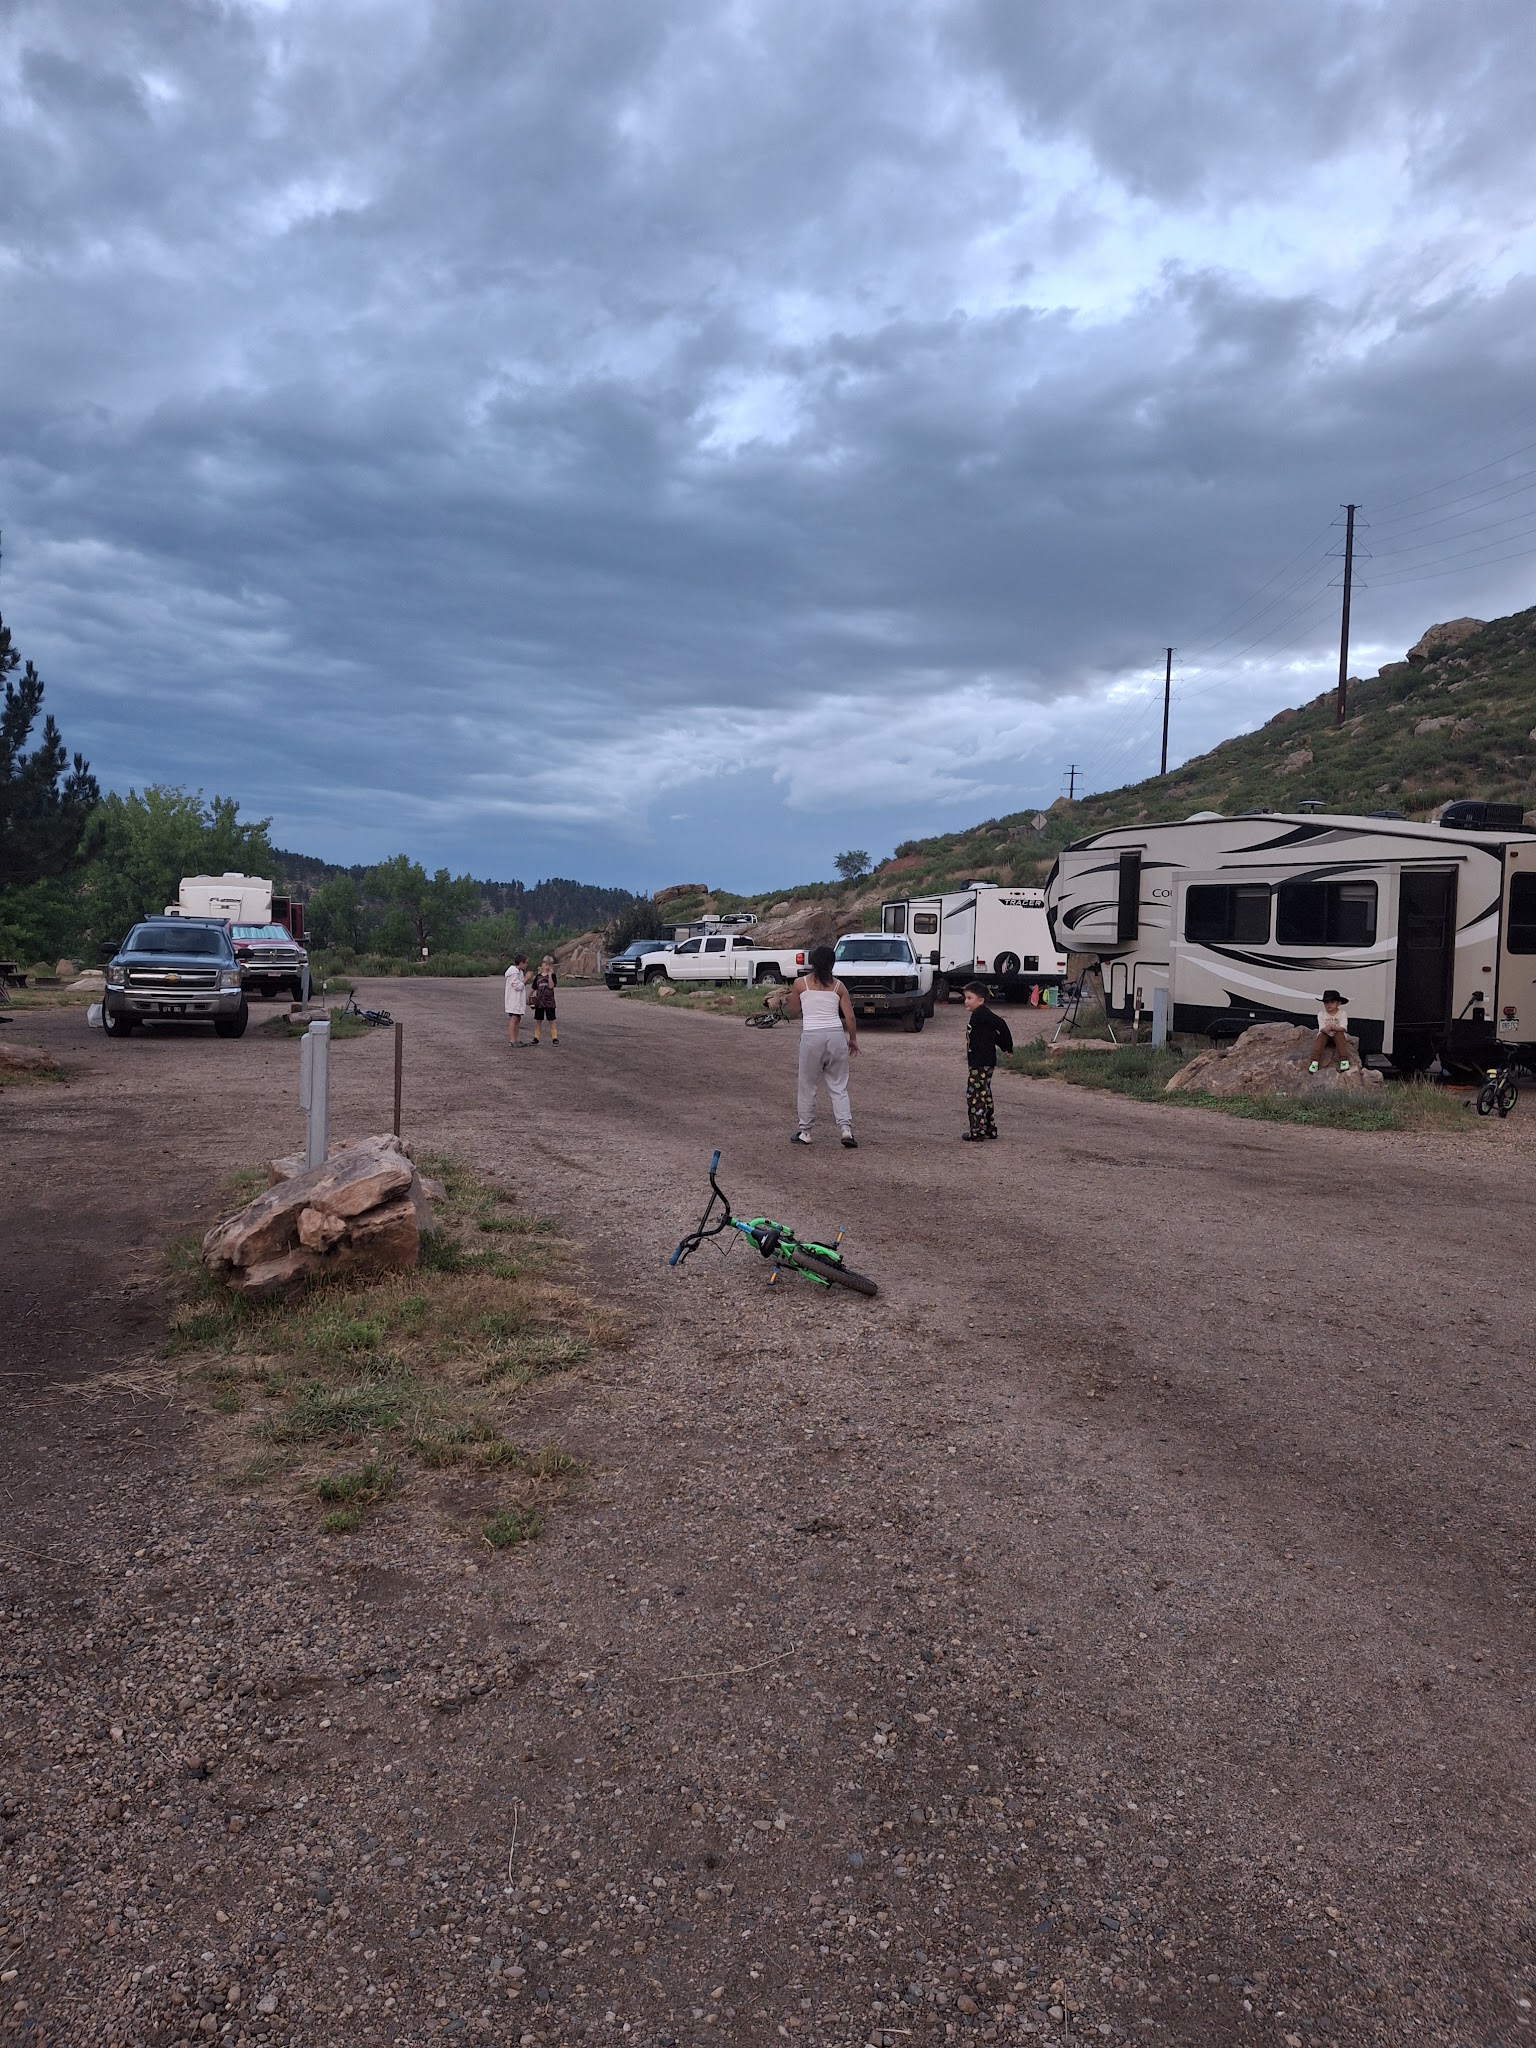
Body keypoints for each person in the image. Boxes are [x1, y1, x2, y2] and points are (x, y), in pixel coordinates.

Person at [784, 943, 859, 1147]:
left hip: (812, 1036)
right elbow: (850, 1017)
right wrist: (852, 1039)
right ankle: (846, 1130)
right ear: (832, 964)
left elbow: (794, 1011)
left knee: (807, 1085)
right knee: (839, 1085)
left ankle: (805, 1132)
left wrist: (789, 1000)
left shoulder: (800, 984)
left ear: (813, 963)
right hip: (835, 1036)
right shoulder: (839, 986)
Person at [961, 980, 1013, 1140]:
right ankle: (989, 1128)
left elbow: (1001, 1024)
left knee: (975, 1095)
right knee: (985, 1093)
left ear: (980, 1000)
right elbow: (992, 1035)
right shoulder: (979, 1016)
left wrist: (1008, 1046)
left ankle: (977, 1131)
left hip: (980, 1062)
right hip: (983, 1061)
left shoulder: (982, 1014)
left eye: (969, 998)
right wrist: (1004, 1047)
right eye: (965, 998)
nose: (966, 1001)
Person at [1309, 988, 1352, 1073]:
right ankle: (1315, 1061)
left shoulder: (1342, 1013)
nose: (1329, 1005)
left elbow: (1343, 1028)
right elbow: (1322, 1028)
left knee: (1339, 1035)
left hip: (1337, 1034)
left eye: (1332, 1002)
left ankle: (1344, 1060)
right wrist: (1326, 1030)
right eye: (1326, 1002)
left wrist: (1332, 1028)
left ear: (1338, 1003)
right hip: (1326, 1034)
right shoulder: (1321, 1014)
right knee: (1321, 1037)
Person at [531, 954, 559, 1044]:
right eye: (546, 964)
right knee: (538, 1020)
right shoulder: (538, 977)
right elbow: (533, 988)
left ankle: (554, 1037)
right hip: (539, 1002)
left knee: (551, 1020)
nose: (547, 967)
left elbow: (551, 986)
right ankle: (536, 1037)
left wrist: (550, 975)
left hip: (549, 1002)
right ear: (542, 965)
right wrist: (528, 996)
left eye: (550, 965)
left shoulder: (553, 976)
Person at [504, 953, 529, 1047]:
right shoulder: (513, 973)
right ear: (521, 963)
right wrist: (526, 979)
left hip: (518, 1000)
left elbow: (521, 986)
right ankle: (512, 1040)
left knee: (518, 1018)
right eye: (526, 963)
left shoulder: (520, 972)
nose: (527, 965)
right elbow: (518, 986)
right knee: (514, 1018)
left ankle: (517, 1039)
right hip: (513, 1000)